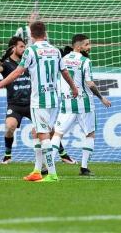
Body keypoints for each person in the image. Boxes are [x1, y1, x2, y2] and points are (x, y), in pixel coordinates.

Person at [0, 21, 78, 182]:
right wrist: (74, 87)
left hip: (38, 100)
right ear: (45, 33)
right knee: (37, 132)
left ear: (31, 35)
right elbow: (64, 72)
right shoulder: (55, 51)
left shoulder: (31, 51)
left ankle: (52, 174)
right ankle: (36, 170)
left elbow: (18, 72)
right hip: (53, 99)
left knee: (43, 135)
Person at [51, 34, 111, 176]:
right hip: (84, 104)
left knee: (58, 134)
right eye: (87, 44)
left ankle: (48, 165)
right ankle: (84, 168)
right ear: (78, 47)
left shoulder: (62, 59)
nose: (89, 47)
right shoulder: (85, 61)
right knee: (90, 134)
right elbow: (90, 84)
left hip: (67, 103)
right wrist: (102, 98)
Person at [0, 37, 32, 164]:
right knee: (9, 126)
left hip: (32, 103)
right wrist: (1, 58)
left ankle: (63, 155)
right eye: (21, 47)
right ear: (13, 48)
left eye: (24, 47)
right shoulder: (6, 64)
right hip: (15, 104)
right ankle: (8, 155)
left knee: (47, 129)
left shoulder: (28, 61)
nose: (24, 49)